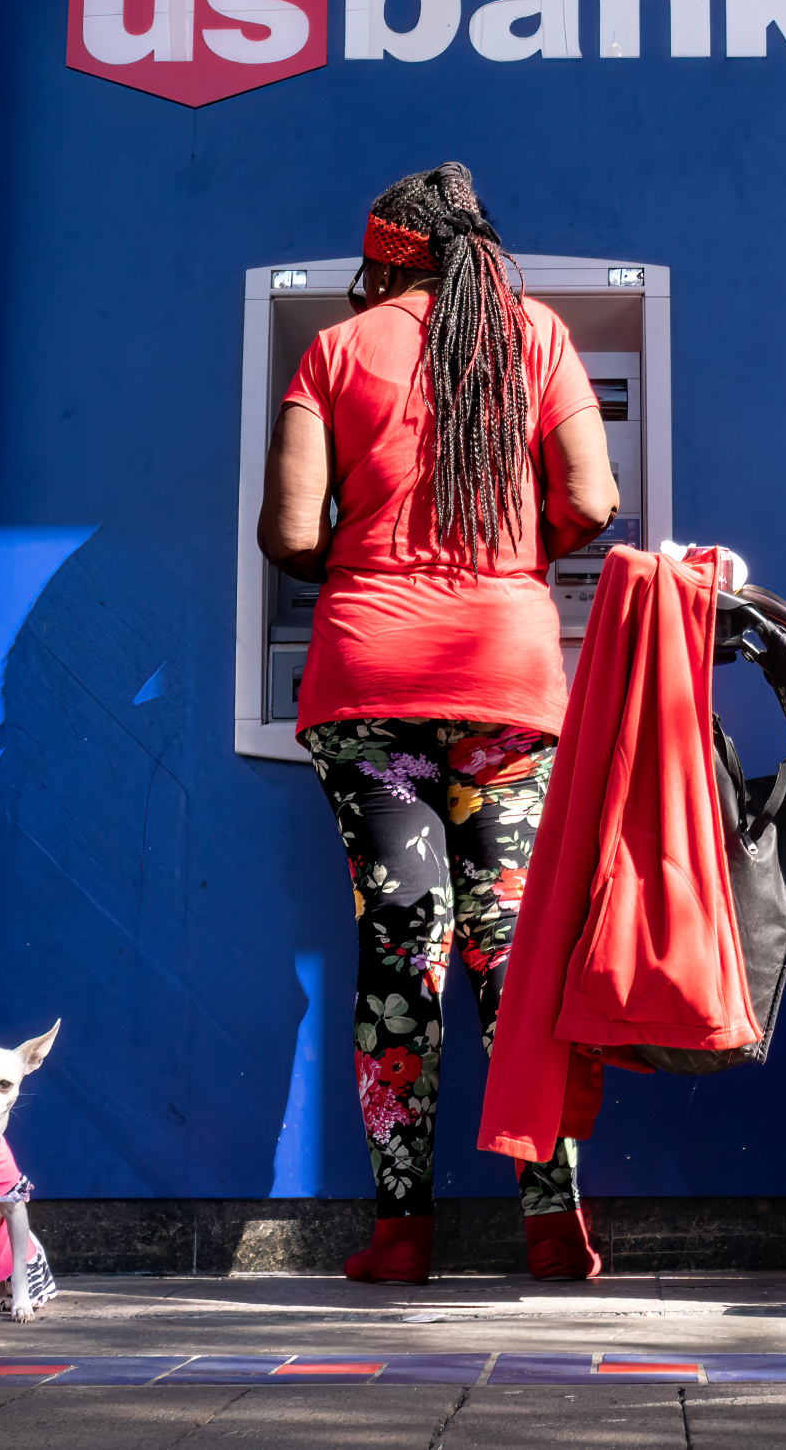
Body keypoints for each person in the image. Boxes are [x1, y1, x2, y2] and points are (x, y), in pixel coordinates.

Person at [258, 162, 619, 1285]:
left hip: (371, 682)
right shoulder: (537, 336)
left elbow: (289, 532)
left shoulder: (335, 350)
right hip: (503, 678)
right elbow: (592, 501)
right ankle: (552, 1220)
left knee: (401, 941)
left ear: (384, 256)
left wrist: (371, 551)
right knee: (508, 944)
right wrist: (512, 552)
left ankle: (401, 1232)